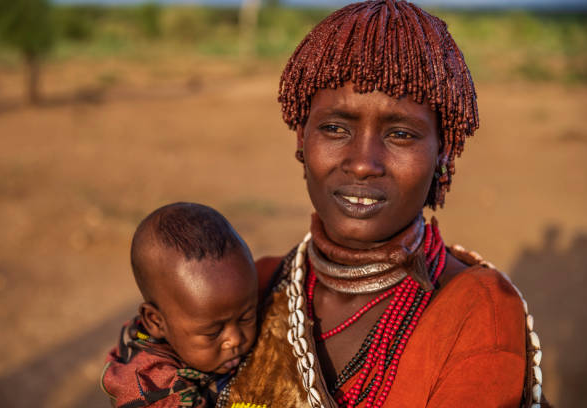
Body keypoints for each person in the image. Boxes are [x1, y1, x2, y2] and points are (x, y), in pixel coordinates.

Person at [217, 1, 547, 407]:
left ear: (443, 152)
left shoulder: (476, 314)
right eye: (335, 128)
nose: (362, 164)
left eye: (401, 134)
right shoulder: (253, 289)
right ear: (301, 138)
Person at [101, 202, 258, 408]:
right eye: (213, 332)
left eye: (246, 317)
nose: (235, 339)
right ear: (156, 321)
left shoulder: (190, 324)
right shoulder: (152, 387)